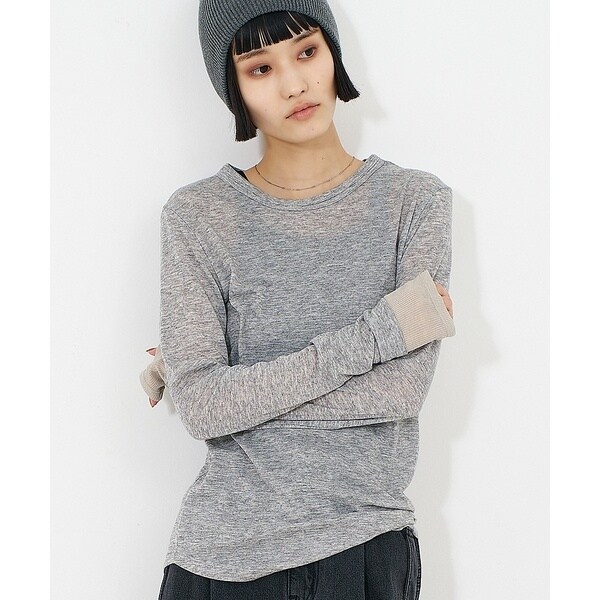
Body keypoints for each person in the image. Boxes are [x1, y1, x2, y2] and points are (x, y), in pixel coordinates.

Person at [140, 1, 456, 598]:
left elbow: (400, 392)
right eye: (260, 68)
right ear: (233, 88)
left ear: (333, 54)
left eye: (307, 51)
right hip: (220, 561)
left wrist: (225, 387)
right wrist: (385, 331)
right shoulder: (198, 216)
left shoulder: (414, 203)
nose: (294, 84)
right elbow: (204, 408)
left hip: (363, 549)